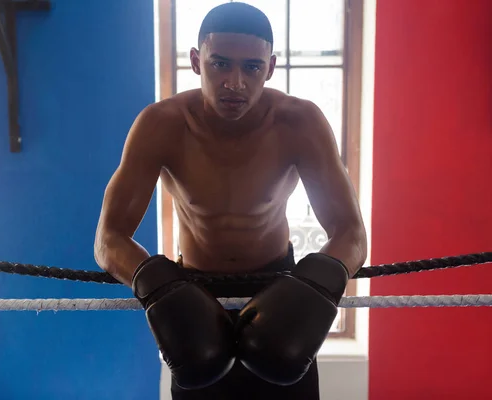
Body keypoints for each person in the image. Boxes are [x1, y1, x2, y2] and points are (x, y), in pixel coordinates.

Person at [94, 2, 367, 399]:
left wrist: (316, 284)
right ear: (196, 61)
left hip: (280, 291)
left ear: (270, 68)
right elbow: (109, 238)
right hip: (192, 296)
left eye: (252, 68)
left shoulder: (300, 123)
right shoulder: (162, 125)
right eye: (220, 64)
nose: (235, 82)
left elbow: (352, 234)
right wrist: (157, 283)